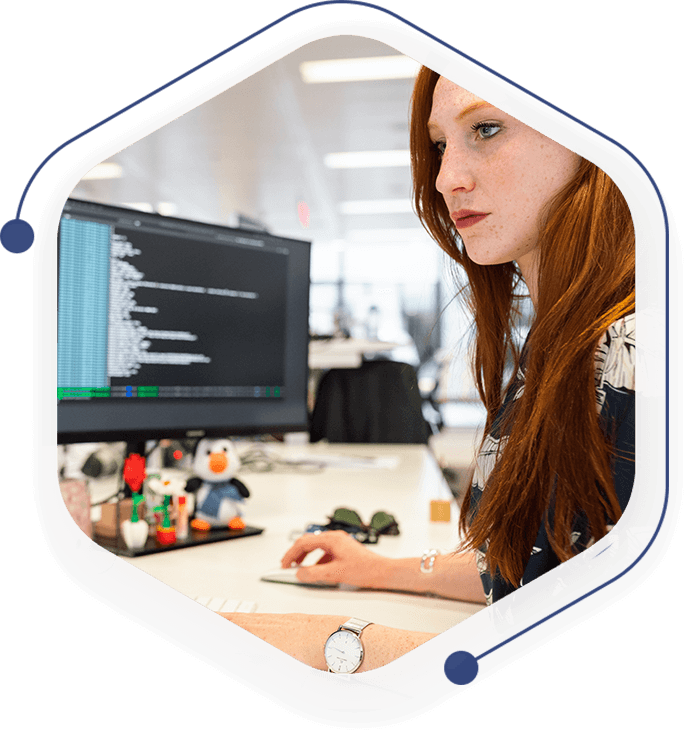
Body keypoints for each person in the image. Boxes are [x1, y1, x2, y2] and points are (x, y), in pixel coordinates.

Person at [222, 65, 648, 674]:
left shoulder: (637, 354)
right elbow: (547, 573)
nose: (447, 178)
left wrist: (331, 642)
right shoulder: (560, 349)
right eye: (441, 144)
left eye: (488, 128)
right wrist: (380, 571)